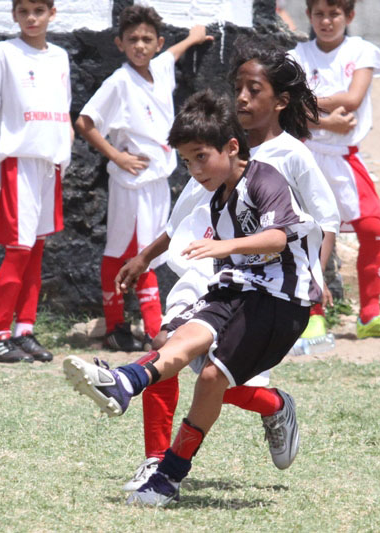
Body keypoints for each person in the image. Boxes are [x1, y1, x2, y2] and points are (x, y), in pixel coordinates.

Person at [63, 90, 324, 507]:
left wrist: (224, 247)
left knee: (210, 380)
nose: (193, 168)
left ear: (231, 147)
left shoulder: (265, 177)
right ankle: (124, 382)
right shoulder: (216, 193)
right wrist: (149, 257)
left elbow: (277, 238)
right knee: (176, 339)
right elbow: (182, 227)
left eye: (200, 157)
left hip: (281, 300)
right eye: (186, 161)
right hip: (236, 284)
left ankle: (169, 475)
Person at [115, 44, 340, 493]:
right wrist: (145, 257)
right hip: (205, 267)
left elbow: (323, 220)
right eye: (236, 87)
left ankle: (273, 404)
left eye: (252, 89)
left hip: (262, 284)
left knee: (213, 375)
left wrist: (317, 275)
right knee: (166, 344)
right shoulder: (216, 145)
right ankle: (156, 460)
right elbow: (183, 213)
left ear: (280, 100)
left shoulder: (291, 155)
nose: (241, 97)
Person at [74, 5, 212, 352]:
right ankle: (134, 326)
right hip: (131, 183)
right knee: (128, 252)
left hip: (158, 181)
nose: (139, 45)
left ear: (157, 42)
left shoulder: (160, 68)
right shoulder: (119, 81)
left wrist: (193, 38)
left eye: (146, 39)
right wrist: (117, 156)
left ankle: (147, 327)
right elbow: (85, 122)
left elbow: (172, 54)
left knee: (151, 249)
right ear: (120, 43)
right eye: (132, 39)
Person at [289, 0, 380, 339]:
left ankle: (370, 314)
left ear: (349, 16)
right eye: (319, 14)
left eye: (334, 14)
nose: (326, 21)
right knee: (308, 232)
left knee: (372, 226)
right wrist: (328, 118)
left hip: (345, 155)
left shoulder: (363, 51)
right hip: (307, 154)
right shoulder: (297, 56)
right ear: (309, 16)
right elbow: (288, 104)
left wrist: (310, 101)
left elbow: (355, 98)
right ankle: (312, 313)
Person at [0, 0, 73, 363]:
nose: (31, 18)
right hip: (16, 163)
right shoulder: (4, 53)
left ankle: (24, 330)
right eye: (24, 11)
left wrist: (65, 151)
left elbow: (63, 111)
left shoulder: (60, 57)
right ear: (14, 14)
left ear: (52, 13)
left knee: (36, 252)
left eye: (39, 10)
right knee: (17, 251)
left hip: (49, 165)